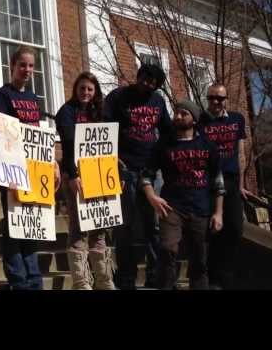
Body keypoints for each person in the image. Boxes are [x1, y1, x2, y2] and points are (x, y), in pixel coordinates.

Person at [141, 100, 224, 290]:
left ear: (194, 119)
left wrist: (218, 213)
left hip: (200, 209)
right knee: (167, 250)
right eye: (176, 113)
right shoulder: (164, 144)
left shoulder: (207, 145)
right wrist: (152, 197)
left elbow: (218, 182)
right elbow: (146, 175)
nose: (177, 116)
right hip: (172, 207)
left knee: (199, 260)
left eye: (183, 113)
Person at [0, 46, 53, 290]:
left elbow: (38, 137)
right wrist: (8, 175)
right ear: (12, 66)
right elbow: (0, 136)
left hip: (35, 172)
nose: (27, 70)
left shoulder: (34, 99)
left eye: (31, 66)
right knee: (15, 227)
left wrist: (51, 167)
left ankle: (34, 279)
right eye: (22, 65)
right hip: (12, 172)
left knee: (31, 225)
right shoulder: (1, 96)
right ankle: (19, 280)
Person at [104, 63, 172, 290]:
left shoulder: (158, 101)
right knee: (124, 226)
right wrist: (112, 158)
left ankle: (155, 275)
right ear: (138, 76)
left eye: (152, 83)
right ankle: (125, 278)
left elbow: (167, 132)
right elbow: (104, 127)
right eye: (144, 79)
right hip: (124, 169)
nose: (147, 84)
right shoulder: (118, 97)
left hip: (152, 173)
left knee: (154, 225)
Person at [56, 71, 116, 290]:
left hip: (99, 176)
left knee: (99, 227)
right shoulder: (66, 112)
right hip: (75, 175)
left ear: (95, 92)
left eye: (90, 89)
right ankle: (82, 282)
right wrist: (72, 176)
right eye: (82, 88)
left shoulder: (101, 112)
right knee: (78, 228)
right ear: (75, 89)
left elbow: (109, 144)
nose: (86, 93)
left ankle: (104, 280)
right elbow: (69, 146)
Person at [199, 83, 249, 289]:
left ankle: (227, 275)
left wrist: (242, 184)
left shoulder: (237, 119)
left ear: (226, 99)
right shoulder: (200, 121)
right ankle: (213, 278)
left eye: (220, 98)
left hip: (231, 180)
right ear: (207, 99)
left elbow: (241, 153)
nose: (216, 102)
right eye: (212, 98)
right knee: (213, 230)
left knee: (235, 228)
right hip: (209, 182)